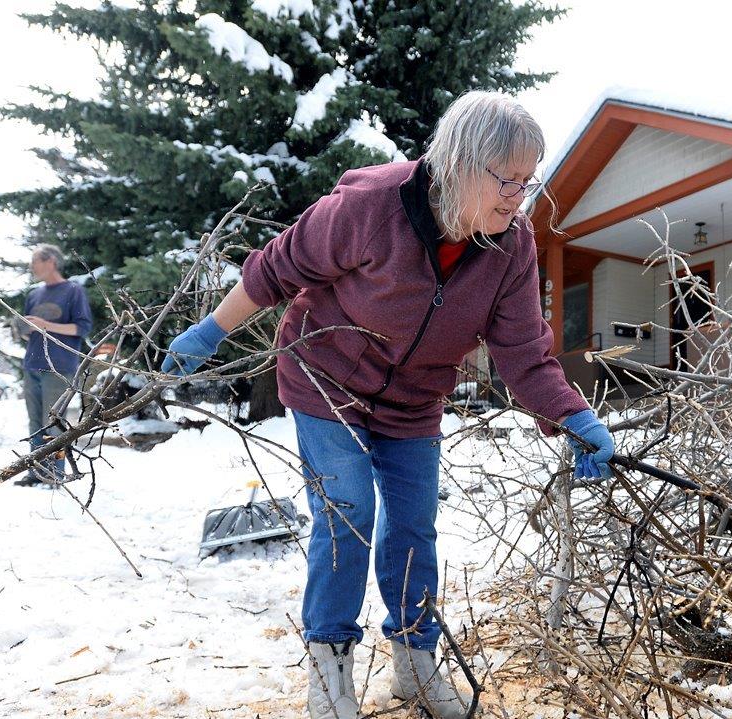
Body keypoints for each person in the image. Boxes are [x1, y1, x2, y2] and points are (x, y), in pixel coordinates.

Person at [161, 92, 615, 719]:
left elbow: (523, 352)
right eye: (505, 179)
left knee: (412, 525)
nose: (517, 195)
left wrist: (573, 416)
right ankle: (330, 668)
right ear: (458, 163)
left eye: (526, 180)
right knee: (347, 510)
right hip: (326, 381)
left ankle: (415, 663)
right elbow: (277, 269)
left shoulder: (510, 248)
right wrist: (211, 330)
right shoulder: (373, 205)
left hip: (413, 402)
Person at [16, 244, 93, 486]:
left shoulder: (73, 291)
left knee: (53, 425)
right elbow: (31, 333)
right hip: (32, 365)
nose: (32, 266)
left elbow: (82, 328)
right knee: (34, 423)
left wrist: (45, 325)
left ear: (51, 262)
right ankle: (35, 472)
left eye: (35, 261)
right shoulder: (33, 295)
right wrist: (23, 329)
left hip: (59, 367)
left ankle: (54, 474)